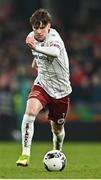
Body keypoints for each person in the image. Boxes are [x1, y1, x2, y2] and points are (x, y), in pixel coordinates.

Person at [16, 8, 72, 166]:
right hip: (42, 84)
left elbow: (53, 52)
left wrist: (36, 49)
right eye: (35, 28)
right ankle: (25, 154)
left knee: (57, 130)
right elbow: (38, 56)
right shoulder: (30, 38)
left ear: (49, 26)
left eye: (42, 27)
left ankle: (57, 149)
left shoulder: (55, 38)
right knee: (30, 111)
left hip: (61, 90)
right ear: (32, 27)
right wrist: (36, 60)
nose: (39, 31)